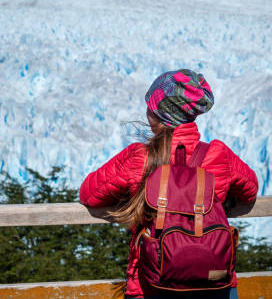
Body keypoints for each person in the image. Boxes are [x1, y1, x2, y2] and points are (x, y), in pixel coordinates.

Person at [79, 69, 258, 299]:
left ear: (160, 114)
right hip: (214, 286)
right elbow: (250, 190)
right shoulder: (218, 155)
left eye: (150, 106)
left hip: (150, 287)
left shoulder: (139, 158)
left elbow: (90, 193)